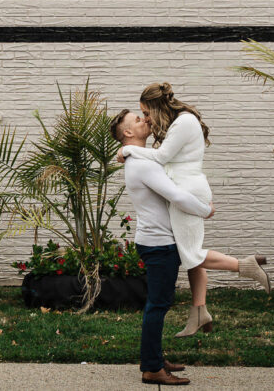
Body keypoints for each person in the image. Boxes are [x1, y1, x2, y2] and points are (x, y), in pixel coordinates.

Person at [118, 82, 270, 338]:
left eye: (145, 112)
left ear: (156, 106)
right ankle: (199, 313)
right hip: (184, 189)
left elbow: (162, 157)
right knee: (188, 253)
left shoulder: (183, 122)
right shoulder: (176, 124)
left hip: (188, 191)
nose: (145, 118)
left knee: (190, 252)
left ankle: (246, 266)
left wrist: (128, 148)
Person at [111, 108, 213, 385]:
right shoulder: (142, 164)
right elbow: (176, 195)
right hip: (159, 244)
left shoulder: (141, 158)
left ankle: (154, 358)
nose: (145, 119)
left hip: (158, 241)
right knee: (157, 305)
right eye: (137, 119)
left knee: (158, 304)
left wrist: (123, 152)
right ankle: (152, 368)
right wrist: (205, 210)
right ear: (128, 133)